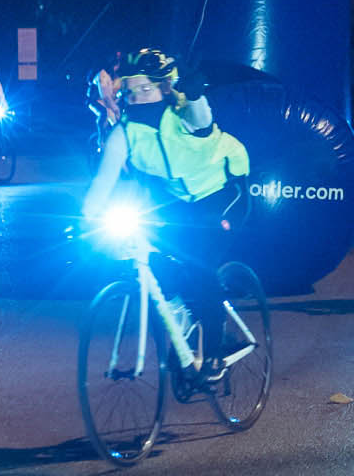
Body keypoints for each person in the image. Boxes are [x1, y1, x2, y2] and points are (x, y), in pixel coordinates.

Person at [81, 47, 252, 380]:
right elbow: (103, 181)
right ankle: (185, 323)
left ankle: (214, 354)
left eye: (145, 89)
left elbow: (202, 122)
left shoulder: (182, 112)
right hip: (180, 200)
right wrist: (86, 220)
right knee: (157, 258)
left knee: (201, 265)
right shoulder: (124, 132)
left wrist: (195, 93)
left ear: (163, 87)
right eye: (130, 91)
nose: (137, 97)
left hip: (222, 190)